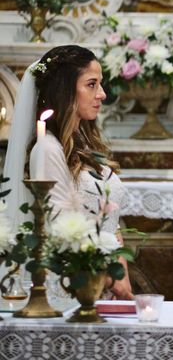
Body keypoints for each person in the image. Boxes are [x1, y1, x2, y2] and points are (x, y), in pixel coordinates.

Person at [4, 45, 133, 300]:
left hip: (101, 282)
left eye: (101, 84)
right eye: (92, 84)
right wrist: (108, 278)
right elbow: (60, 232)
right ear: (65, 89)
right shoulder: (47, 149)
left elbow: (110, 225)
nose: (102, 94)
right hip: (76, 287)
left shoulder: (82, 144)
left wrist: (121, 274)